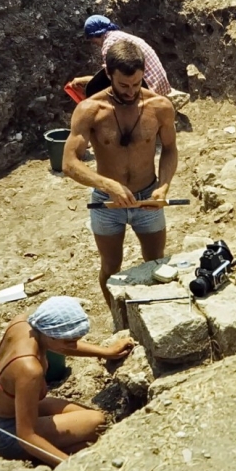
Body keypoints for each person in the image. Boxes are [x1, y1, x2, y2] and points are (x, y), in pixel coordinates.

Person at [63, 40, 179, 308]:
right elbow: (69, 162)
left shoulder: (159, 107)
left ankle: (153, 311)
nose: (131, 91)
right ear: (109, 75)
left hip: (148, 197)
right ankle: (119, 317)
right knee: (111, 267)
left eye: (137, 84)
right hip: (107, 203)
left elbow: (171, 149)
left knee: (156, 261)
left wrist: (164, 186)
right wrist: (107, 184)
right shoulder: (90, 110)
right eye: (124, 85)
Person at [0, 296, 135, 467]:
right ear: (50, 335)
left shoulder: (25, 324)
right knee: (96, 423)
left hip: (3, 408)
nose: (74, 345)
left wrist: (106, 352)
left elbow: (64, 345)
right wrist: (69, 467)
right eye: (69, 340)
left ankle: (68, 449)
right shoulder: (29, 369)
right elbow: (26, 436)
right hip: (3, 432)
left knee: (89, 421)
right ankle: (47, 458)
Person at [68, 15, 172, 97]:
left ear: (96, 35)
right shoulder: (120, 36)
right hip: (160, 85)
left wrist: (83, 81)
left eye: (92, 39)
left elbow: (112, 78)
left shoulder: (109, 45)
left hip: (148, 88)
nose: (93, 43)